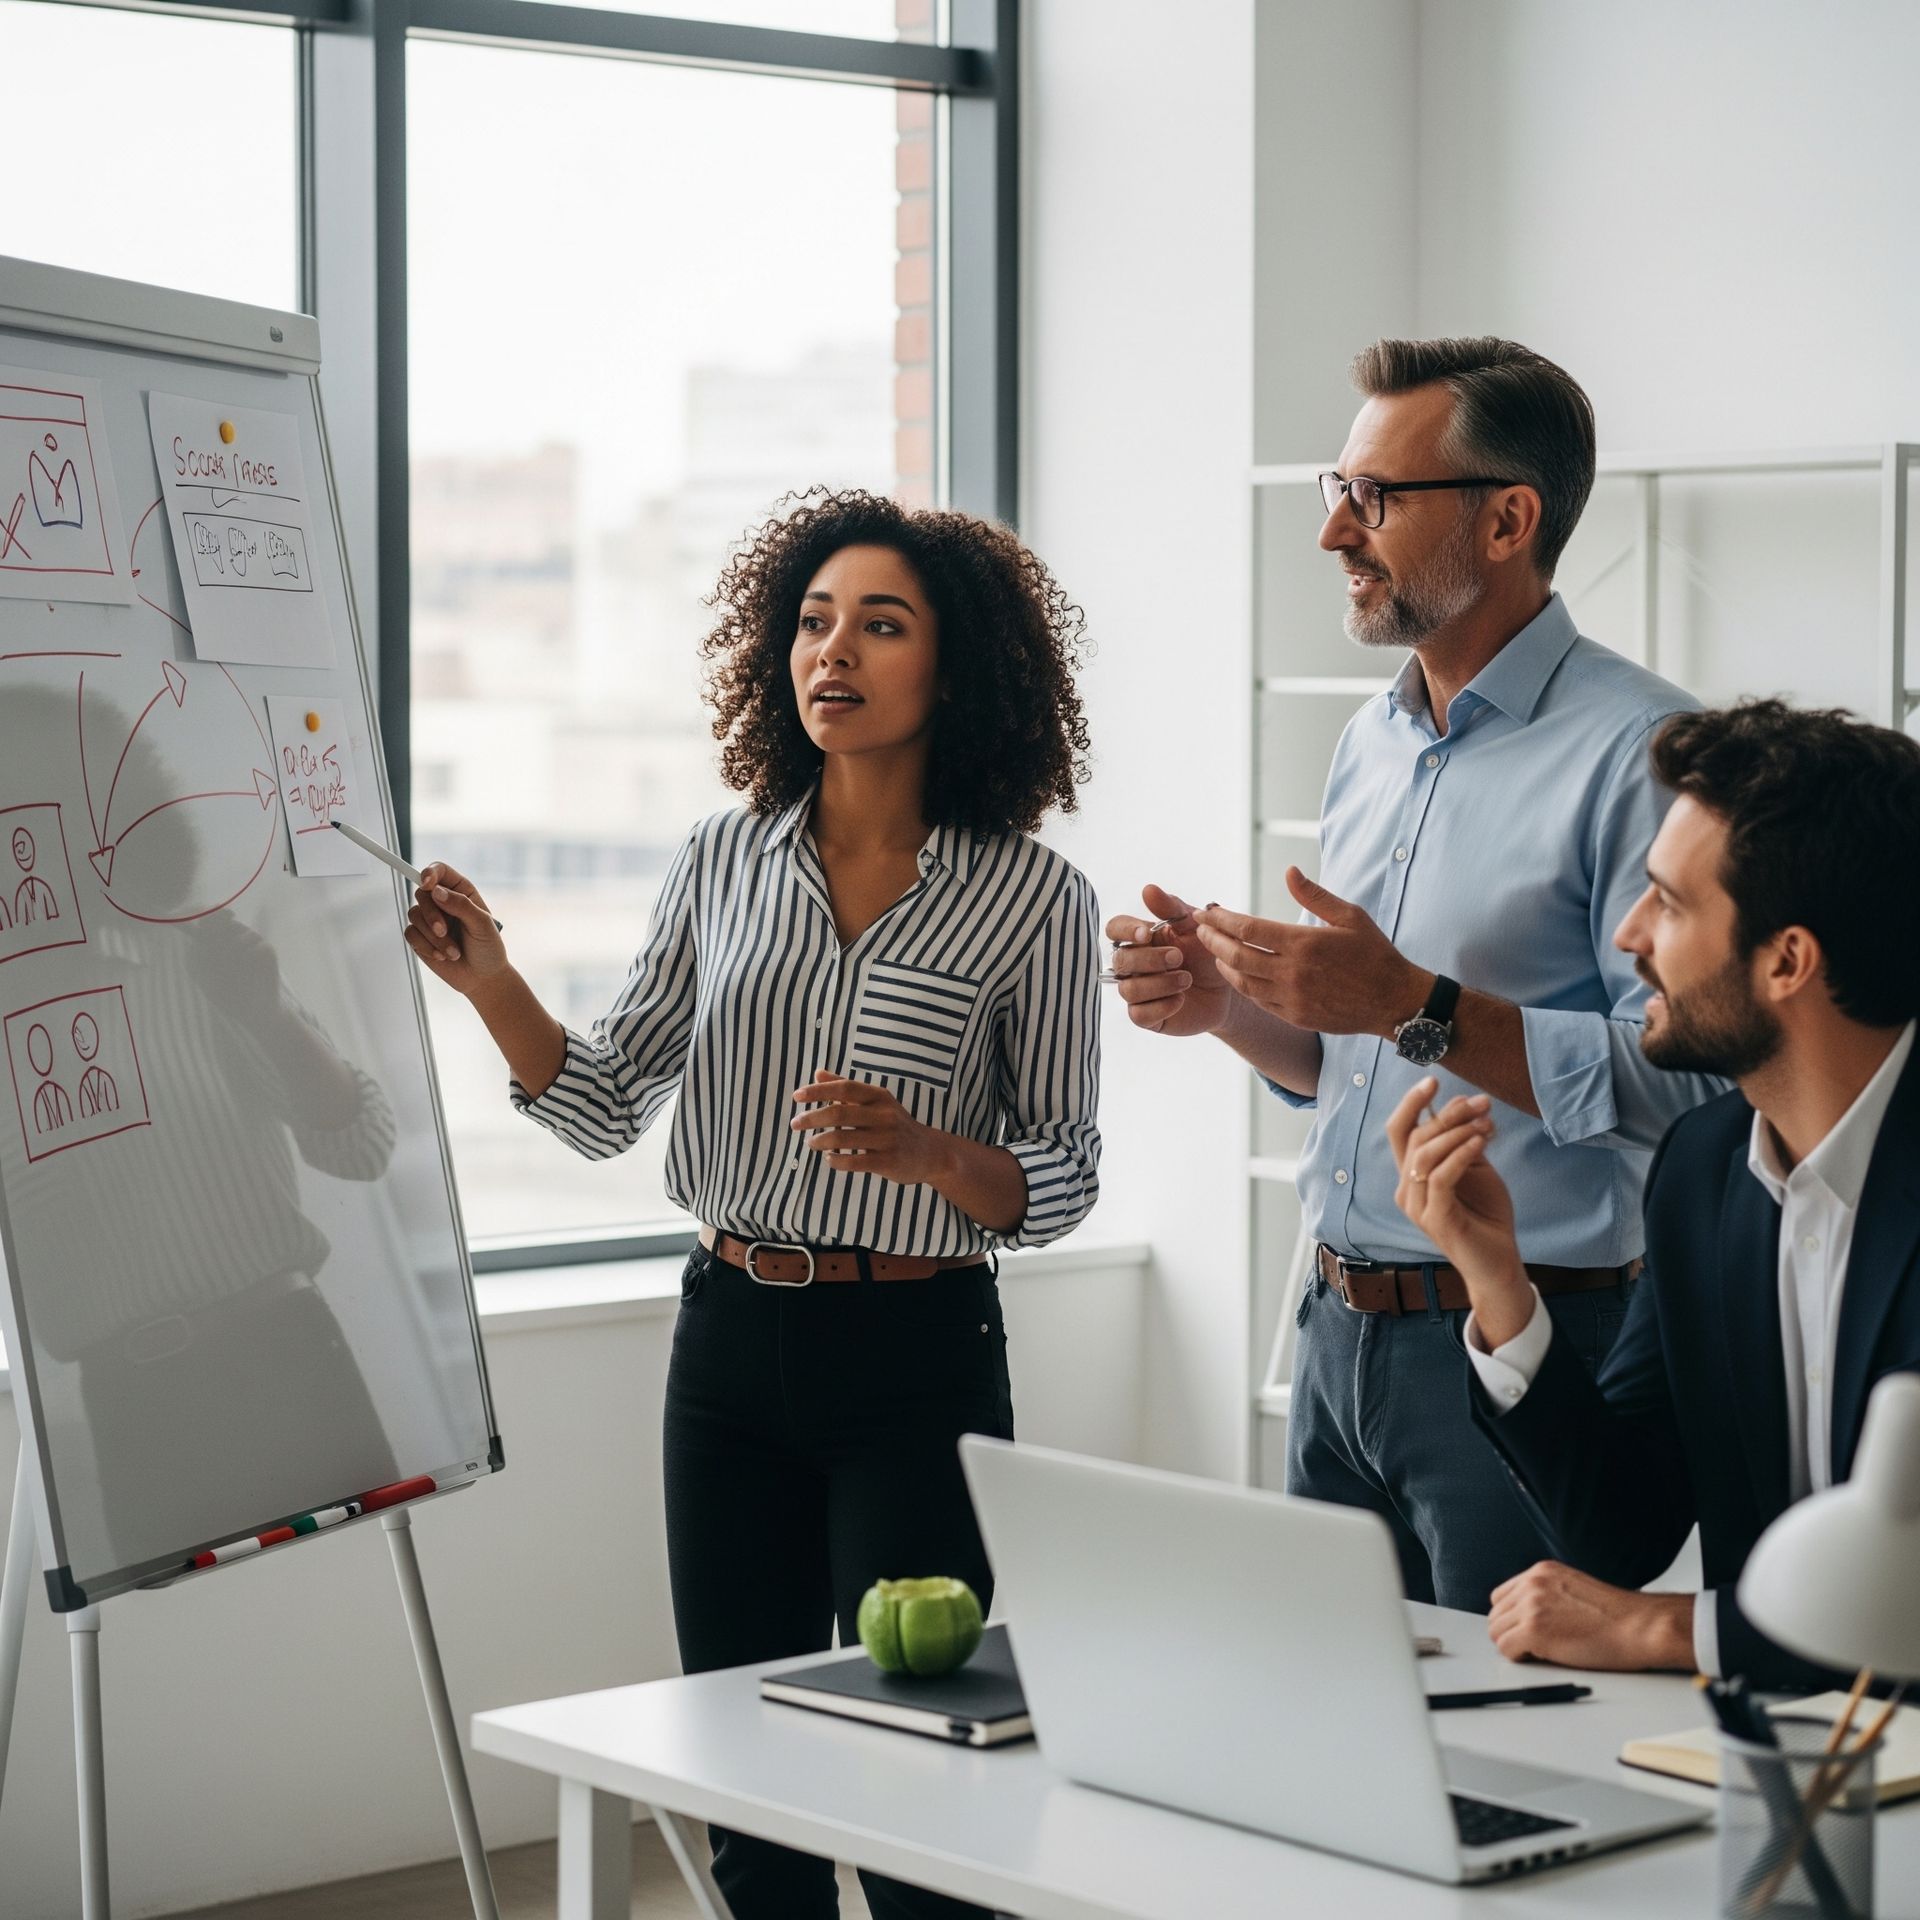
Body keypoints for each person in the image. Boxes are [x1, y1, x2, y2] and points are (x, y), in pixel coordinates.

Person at [405, 487, 1101, 1920]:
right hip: (724, 1352)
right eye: (812, 619)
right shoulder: (722, 861)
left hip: (916, 1360)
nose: (831, 649)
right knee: (745, 1772)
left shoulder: (1035, 900)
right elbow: (601, 1103)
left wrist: (932, 1157)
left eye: (881, 624)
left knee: (929, 1772)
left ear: (956, 671)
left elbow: (1064, 1174)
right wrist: (490, 983)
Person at [1107, 336, 1720, 1611]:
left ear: (1508, 518)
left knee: (1527, 1781)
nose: (1334, 529)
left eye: (1375, 496)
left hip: (1527, 1344)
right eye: (1339, 488)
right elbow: (1357, 1058)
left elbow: (1691, 1090)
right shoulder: (1369, 742)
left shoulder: (1647, 753)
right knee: (1334, 1757)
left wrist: (1411, 1003)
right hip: (1333, 1339)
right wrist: (1233, 1013)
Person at [1389, 699, 1920, 1689]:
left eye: (1670, 904)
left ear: (1787, 961)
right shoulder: (1701, 1167)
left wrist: (1675, 1634)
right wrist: (1497, 1282)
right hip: (1764, 1765)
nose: (1630, 934)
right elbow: (1620, 1531)